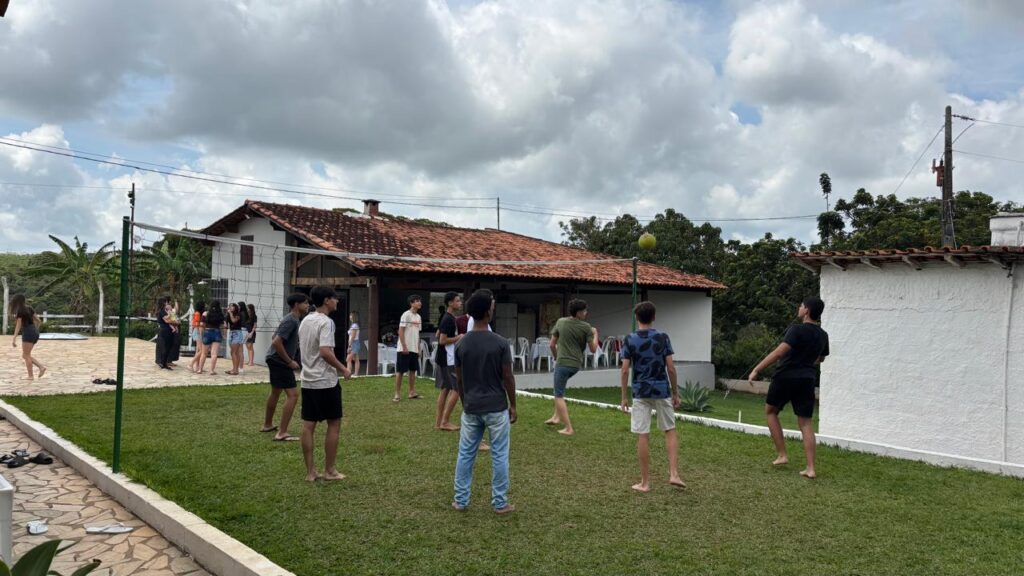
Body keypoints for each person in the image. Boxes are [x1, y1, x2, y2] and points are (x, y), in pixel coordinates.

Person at [749, 296, 830, 479]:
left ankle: (782, 455)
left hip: (785, 376)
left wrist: (757, 369)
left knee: (771, 412)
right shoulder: (823, 335)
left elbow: (779, 353)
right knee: (806, 422)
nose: (799, 309)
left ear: (807, 310)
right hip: (807, 379)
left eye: (801, 306)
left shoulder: (796, 330)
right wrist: (805, 362)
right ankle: (810, 468)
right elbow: (821, 358)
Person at [451, 291, 517, 514]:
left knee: (465, 454)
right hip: (496, 406)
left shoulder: (461, 344)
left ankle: (460, 500)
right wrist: (513, 405)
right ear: (488, 311)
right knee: (499, 454)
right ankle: (500, 502)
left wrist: (465, 402)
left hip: (471, 406)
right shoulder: (500, 342)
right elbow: (507, 377)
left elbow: (459, 379)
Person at [619, 301, 685, 492]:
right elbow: (670, 368)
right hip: (661, 390)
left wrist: (624, 397)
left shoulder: (630, 339)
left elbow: (625, 370)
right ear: (654, 317)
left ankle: (645, 482)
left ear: (636, 317)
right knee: (669, 429)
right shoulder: (663, 337)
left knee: (643, 434)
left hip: (640, 392)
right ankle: (674, 474)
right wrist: (675, 392)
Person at [298, 286, 353, 482]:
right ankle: (330, 471)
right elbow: (325, 351)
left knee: (308, 425)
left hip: (308, 381)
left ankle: (310, 472)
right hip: (325, 381)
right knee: (334, 423)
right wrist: (343, 368)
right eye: (335, 298)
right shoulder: (326, 322)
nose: (337, 301)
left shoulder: (305, 320)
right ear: (327, 300)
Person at [546, 299, 599, 435]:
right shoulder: (586, 327)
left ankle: (569, 428)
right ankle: (556, 417)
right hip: (575, 365)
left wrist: (556, 357)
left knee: (558, 395)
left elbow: (552, 345)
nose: (586, 313)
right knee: (559, 389)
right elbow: (593, 349)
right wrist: (595, 333)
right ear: (579, 313)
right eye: (585, 311)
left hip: (563, 363)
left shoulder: (561, 322)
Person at [263, 294, 309, 441]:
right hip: (279, 361)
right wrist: (289, 361)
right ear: (296, 304)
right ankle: (282, 432)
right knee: (293, 395)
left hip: (274, 358)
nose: (307, 305)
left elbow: (274, 338)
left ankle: (267, 425)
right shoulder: (291, 320)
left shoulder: (292, 319)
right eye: (305, 303)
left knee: (275, 392)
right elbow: (276, 342)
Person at [434, 292, 463, 431]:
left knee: (445, 389)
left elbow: (437, 333)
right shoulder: (448, 319)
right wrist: (459, 337)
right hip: (448, 359)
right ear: (450, 303)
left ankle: (438, 422)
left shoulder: (447, 317)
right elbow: (442, 340)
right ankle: (444, 422)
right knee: (457, 389)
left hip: (443, 358)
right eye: (457, 301)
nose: (460, 303)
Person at [394, 294, 423, 402]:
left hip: (414, 349)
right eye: (417, 301)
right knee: (400, 371)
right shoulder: (406, 315)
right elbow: (400, 331)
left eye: (420, 301)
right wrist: (404, 346)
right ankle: (397, 394)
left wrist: (418, 349)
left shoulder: (418, 317)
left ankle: (412, 392)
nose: (419, 303)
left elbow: (418, 334)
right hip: (404, 348)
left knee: (412, 371)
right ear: (411, 303)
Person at [9, 294, 45, 380]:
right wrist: (35, 330)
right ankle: (41, 367)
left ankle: (31, 375)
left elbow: (18, 325)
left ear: (17, 301)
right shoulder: (29, 308)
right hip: (34, 331)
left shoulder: (20, 311)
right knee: (25, 355)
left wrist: (14, 338)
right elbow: (38, 320)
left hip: (28, 332)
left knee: (26, 355)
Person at [199, 300, 224, 375]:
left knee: (203, 353)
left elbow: (201, 324)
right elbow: (223, 325)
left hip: (207, 332)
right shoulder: (220, 314)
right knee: (214, 354)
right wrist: (223, 334)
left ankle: (200, 369)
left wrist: (201, 334)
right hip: (217, 332)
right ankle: (211, 370)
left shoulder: (205, 313)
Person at [156, 298, 179, 370]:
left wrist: (175, 321)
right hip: (165, 331)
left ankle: (164, 363)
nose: (167, 303)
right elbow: (167, 320)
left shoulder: (166, 311)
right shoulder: (161, 312)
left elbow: (172, 318)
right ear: (163, 303)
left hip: (169, 331)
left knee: (169, 347)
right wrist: (175, 321)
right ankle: (163, 363)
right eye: (166, 302)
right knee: (166, 347)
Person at [226, 303, 245, 375]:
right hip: (231, 333)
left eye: (232, 306)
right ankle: (235, 369)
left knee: (234, 352)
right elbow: (226, 324)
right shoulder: (229, 314)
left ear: (235, 307)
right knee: (234, 352)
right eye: (229, 306)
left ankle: (235, 370)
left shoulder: (239, 314)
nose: (230, 307)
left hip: (237, 333)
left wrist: (230, 313)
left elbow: (234, 321)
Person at [189, 302, 207, 373]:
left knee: (198, 350)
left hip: (197, 331)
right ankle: (191, 364)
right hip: (198, 332)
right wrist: (201, 329)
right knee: (202, 350)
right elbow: (196, 324)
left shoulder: (198, 313)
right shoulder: (197, 313)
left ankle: (198, 367)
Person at [346, 311, 361, 377]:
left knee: (348, 359)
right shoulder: (354, 325)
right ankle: (355, 374)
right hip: (354, 343)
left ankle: (348, 373)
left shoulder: (354, 326)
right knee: (356, 359)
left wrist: (349, 346)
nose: (349, 316)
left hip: (354, 344)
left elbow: (353, 336)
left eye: (351, 315)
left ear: (353, 316)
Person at [245, 303, 258, 367]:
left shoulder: (254, 316)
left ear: (250, 309)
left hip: (251, 333)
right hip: (246, 333)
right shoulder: (246, 316)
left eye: (247, 308)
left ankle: (251, 362)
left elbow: (255, 325)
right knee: (247, 347)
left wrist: (251, 333)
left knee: (250, 346)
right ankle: (249, 360)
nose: (246, 309)